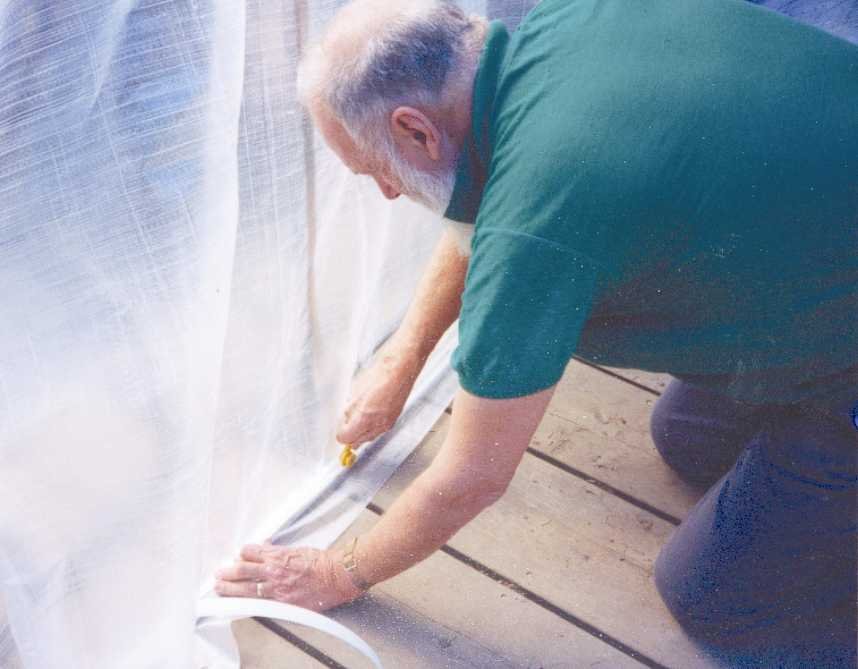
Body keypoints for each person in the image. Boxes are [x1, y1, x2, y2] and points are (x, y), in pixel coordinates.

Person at [215, 0, 858, 661]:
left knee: (713, 597)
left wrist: (336, 570)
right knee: (686, 440)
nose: (384, 192)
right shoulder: (558, 26)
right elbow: (484, 204)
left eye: (373, 168)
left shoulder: (537, 225)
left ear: (416, 130)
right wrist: (402, 361)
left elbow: (470, 476)